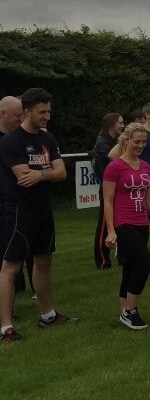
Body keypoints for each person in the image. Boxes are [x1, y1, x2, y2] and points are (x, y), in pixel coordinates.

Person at [0, 88, 74, 344]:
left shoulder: (48, 138)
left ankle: (48, 315)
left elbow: (61, 172)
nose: (47, 117)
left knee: (44, 262)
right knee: (11, 267)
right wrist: (46, 172)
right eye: (42, 112)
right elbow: (23, 177)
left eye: (49, 111)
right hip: (19, 212)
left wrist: (42, 174)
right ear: (27, 111)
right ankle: (6, 328)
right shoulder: (11, 141)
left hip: (43, 210)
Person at [103, 123, 150, 330]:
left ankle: (124, 310)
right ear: (126, 141)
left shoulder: (145, 166)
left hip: (141, 221)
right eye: (136, 142)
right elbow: (107, 200)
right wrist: (111, 230)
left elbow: (149, 199)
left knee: (131, 267)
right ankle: (130, 311)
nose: (140, 145)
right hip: (123, 222)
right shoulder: (115, 167)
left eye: (143, 142)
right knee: (145, 262)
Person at [0, 95, 34, 298]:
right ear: (2, 114)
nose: (21, 120)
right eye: (17, 116)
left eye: (23, 116)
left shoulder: (21, 139)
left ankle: (18, 288)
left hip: (19, 203)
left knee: (22, 250)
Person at [91, 113, 124, 270]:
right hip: (107, 189)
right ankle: (102, 260)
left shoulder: (113, 141)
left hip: (117, 188)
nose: (122, 126)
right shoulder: (104, 143)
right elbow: (116, 159)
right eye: (120, 123)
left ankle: (122, 255)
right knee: (104, 225)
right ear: (111, 124)